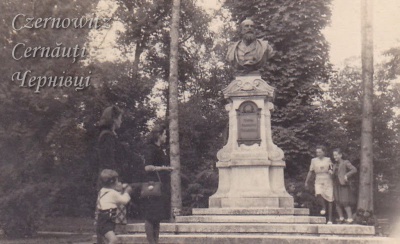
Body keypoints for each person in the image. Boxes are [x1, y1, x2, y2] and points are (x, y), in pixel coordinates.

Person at [96, 105, 129, 228]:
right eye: (120, 118)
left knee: (111, 216)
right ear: (114, 119)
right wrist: (114, 181)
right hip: (108, 180)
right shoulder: (107, 136)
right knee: (107, 217)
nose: (121, 121)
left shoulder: (111, 135)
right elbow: (108, 160)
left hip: (111, 178)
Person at [142, 125, 173, 244]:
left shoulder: (160, 149)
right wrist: (164, 169)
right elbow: (147, 167)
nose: (166, 137)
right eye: (164, 134)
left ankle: (156, 241)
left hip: (160, 185)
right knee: (151, 216)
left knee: (157, 216)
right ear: (158, 135)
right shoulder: (151, 149)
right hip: (152, 185)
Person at [96, 169, 133, 244]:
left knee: (107, 241)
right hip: (106, 220)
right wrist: (127, 192)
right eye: (117, 181)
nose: (119, 182)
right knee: (114, 240)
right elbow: (124, 200)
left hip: (102, 219)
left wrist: (120, 188)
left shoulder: (102, 190)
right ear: (112, 182)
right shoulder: (113, 193)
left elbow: (113, 195)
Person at [305, 145, 334, 224]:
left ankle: (330, 219)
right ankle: (323, 207)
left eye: (320, 152)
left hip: (327, 178)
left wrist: (331, 171)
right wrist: (306, 181)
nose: (318, 154)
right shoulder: (313, 160)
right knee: (318, 193)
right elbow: (310, 171)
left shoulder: (328, 159)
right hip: (318, 178)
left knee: (330, 198)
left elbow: (331, 168)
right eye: (317, 152)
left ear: (324, 152)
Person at [332, 148, 357, 224]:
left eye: (336, 155)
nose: (335, 157)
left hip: (343, 184)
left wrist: (346, 175)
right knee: (337, 201)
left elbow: (354, 169)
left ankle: (350, 218)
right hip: (335, 184)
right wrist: (331, 173)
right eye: (334, 155)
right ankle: (341, 218)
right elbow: (332, 174)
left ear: (340, 155)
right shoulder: (334, 165)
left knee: (345, 201)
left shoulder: (345, 162)